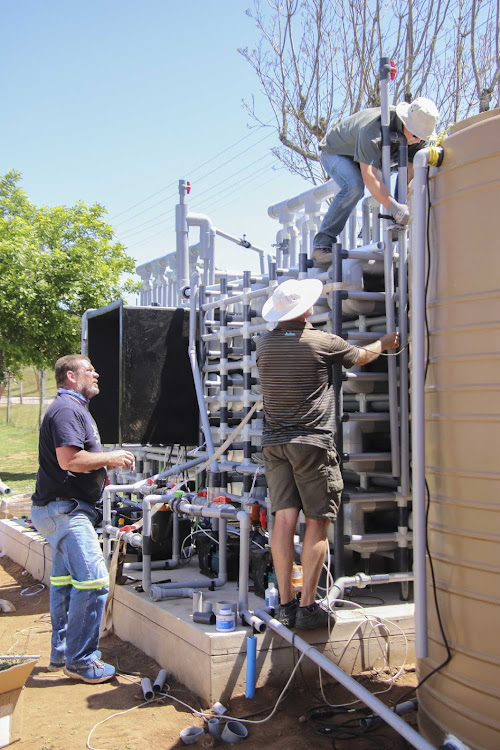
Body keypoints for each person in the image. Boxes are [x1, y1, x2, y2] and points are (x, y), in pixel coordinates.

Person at [256, 279, 399, 629]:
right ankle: (308, 607)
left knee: (284, 521)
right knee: (317, 522)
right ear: (306, 309)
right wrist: (387, 341)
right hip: (312, 443)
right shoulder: (322, 342)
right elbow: (362, 356)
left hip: (275, 444)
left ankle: (285, 605)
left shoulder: (264, 344)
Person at [31, 355, 135, 683]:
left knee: (65, 583)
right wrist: (112, 457)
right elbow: (70, 460)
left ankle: (62, 652)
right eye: (90, 370)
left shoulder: (73, 408)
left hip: (60, 509)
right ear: (72, 377)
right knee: (93, 582)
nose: (97, 373)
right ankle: (81, 660)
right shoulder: (66, 409)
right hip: (66, 511)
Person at [312, 96, 439, 266]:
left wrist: (409, 205)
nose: (417, 140)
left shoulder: (417, 139)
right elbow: (369, 176)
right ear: (405, 122)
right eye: (415, 135)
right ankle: (322, 245)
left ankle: (397, 229)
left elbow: (410, 174)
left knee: (409, 166)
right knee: (354, 186)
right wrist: (394, 207)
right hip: (338, 152)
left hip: (373, 156)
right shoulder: (374, 129)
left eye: (421, 138)